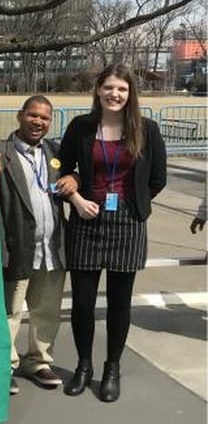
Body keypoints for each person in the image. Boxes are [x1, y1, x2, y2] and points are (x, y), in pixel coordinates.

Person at [56, 63, 166, 402]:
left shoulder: (146, 130)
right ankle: (84, 366)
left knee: (120, 302)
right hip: (86, 219)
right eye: (109, 87)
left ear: (130, 93)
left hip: (128, 223)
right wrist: (76, 198)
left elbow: (158, 179)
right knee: (82, 302)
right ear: (98, 90)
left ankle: (112, 368)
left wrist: (135, 203)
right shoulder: (81, 127)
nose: (114, 94)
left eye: (121, 89)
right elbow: (60, 167)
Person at [0, 95, 68, 395]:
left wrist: (74, 179)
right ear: (20, 116)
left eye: (45, 118)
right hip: (18, 247)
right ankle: (5, 365)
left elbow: (74, 177)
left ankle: (38, 361)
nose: (38, 122)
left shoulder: (56, 153)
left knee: (46, 310)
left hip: (52, 247)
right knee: (10, 312)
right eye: (33, 115)